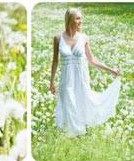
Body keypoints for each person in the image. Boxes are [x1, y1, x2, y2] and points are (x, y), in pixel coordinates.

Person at [50, 8, 121, 136]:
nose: (80, 21)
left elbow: (92, 60)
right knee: (69, 103)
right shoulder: (58, 38)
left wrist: (112, 70)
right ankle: (73, 134)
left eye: (81, 18)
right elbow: (55, 61)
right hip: (66, 79)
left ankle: (80, 132)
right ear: (69, 19)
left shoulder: (84, 38)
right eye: (78, 18)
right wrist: (52, 82)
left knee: (84, 102)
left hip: (81, 78)